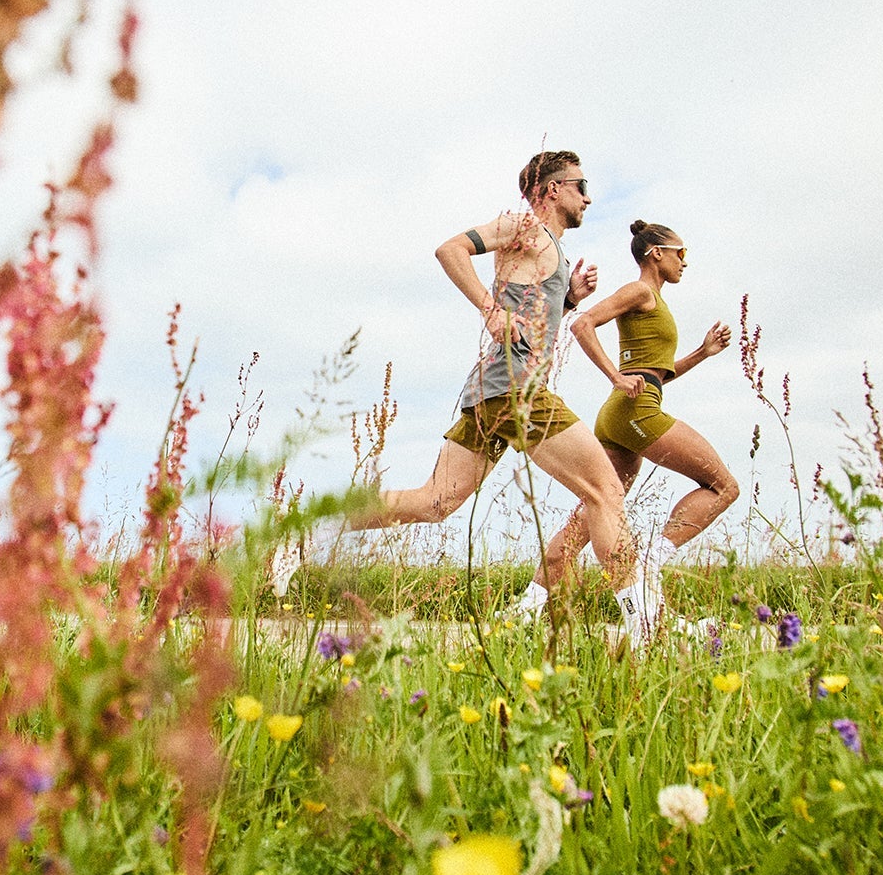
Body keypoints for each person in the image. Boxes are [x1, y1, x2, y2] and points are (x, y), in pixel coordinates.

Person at [274, 150, 655, 638]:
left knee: (435, 503)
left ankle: (309, 533)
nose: (588, 196)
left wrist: (570, 295)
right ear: (552, 189)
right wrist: (489, 309)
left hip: (492, 391)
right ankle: (646, 625)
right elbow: (450, 249)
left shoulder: (546, 246)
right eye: (581, 185)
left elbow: (530, 301)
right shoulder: (523, 225)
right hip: (516, 388)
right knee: (605, 491)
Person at [538, 220, 738, 630]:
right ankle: (650, 559)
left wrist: (702, 352)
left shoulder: (654, 300)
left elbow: (655, 373)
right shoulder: (640, 290)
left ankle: (529, 603)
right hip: (635, 409)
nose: (686, 261)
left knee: (599, 507)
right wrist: (614, 376)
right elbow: (581, 324)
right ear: (656, 253)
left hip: (626, 409)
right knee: (724, 487)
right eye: (681, 252)